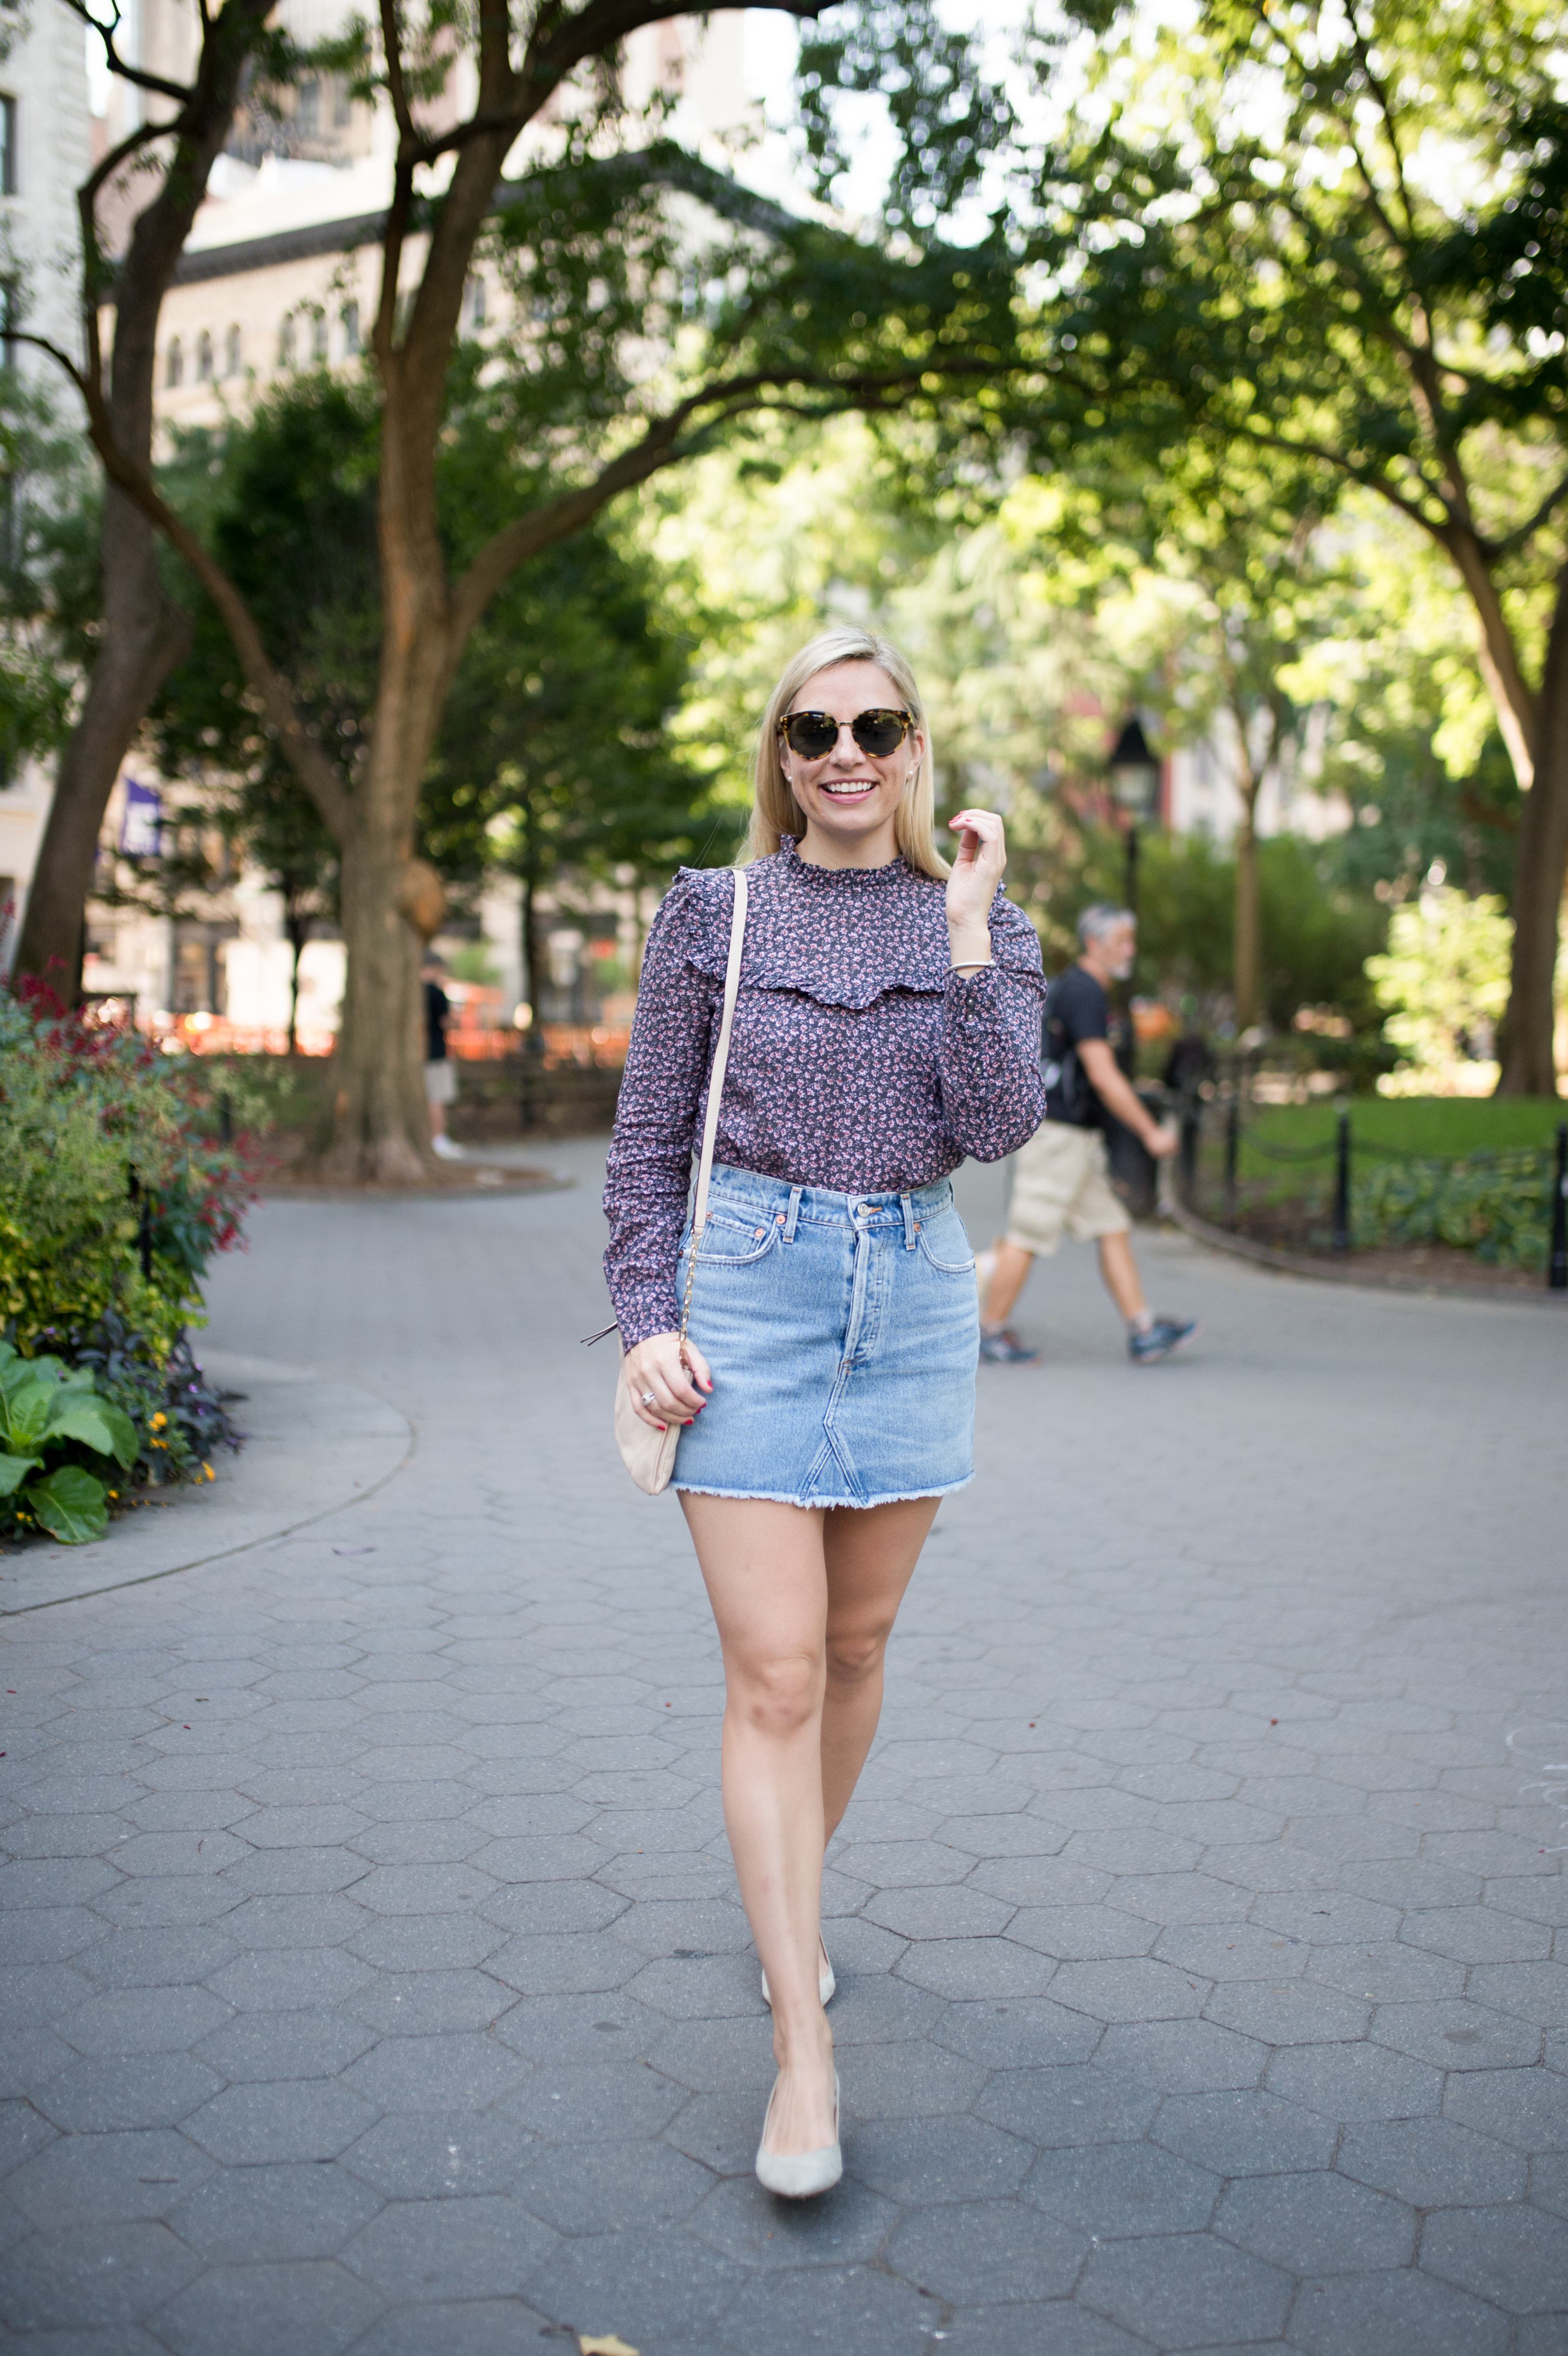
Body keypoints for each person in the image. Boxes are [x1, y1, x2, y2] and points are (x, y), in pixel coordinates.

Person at [603, 627, 1044, 2200]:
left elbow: (993, 1125)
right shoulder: (710, 913)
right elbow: (647, 1135)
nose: (844, 749)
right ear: (778, 753)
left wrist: (976, 931)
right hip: (748, 1297)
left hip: (915, 1291)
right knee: (775, 1670)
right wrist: (645, 1315)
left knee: (854, 1652)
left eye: (876, 722)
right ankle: (802, 2041)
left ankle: (786, 1900)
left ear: (915, 744)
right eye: (813, 726)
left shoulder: (978, 924)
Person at [977, 903, 1197, 1366]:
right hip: (1058, 1137)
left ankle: (1142, 1329)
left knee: (1110, 1225)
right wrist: (1151, 1132)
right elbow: (1103, 1074)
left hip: (1073, 1138)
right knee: (1028, 1232)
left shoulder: (1080, 987)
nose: (1130, 949)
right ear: (1095, 944)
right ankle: (989, 1331)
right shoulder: (1085, 992)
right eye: (1122, 940)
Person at [422, 952, 462, 1160]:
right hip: (436, 1052)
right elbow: (446, 1022)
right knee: (436, 1097)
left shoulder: (412, 992)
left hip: (418, 1053)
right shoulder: (437, 993)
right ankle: (438, 1138)